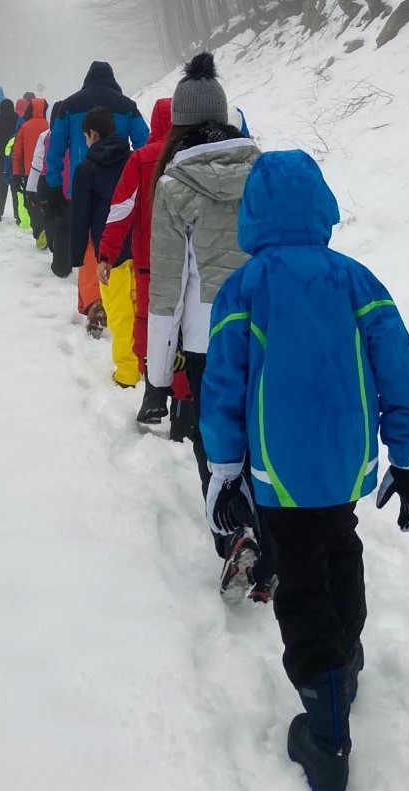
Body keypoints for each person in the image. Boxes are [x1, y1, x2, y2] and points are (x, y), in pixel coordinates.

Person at [199, 149, 409, 791]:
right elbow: (397, 367)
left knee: (297, 571)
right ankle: (344, 658)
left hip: (277, 462)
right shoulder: (357, 279)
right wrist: (404, 450)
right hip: (343, 457)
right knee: (338, 546)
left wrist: (223, 465)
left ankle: (324, 727)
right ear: (320, 205)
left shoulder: (245, 287)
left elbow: (223, 385)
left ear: (252, 214)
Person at [147, 52, 272, 600]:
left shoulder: (174, 185)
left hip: (206, 339)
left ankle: (234, 535)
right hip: (268, 329)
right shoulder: (264, 170)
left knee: (214, 439)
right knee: (262, 434)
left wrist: (156, 371)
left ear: (178, 122)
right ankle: (272, 537)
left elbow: (167, 289)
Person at [97, 97, 193, 428]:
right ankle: (183, 404)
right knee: (185, 331)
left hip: (148, 263)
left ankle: (153, 392)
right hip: (187, 261)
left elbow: (121, 210)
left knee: (151, 326)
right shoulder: (188, 158)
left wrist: (107, 252)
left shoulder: (141, 159)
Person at [46, 62, 149, 321]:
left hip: (81, 184)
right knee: (120, 243)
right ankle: (123, 297)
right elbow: (145, 144)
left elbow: (56, 146)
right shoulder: (127, 106)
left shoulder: (69, 105)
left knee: (91, 242)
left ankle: (94, 302)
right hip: (122, 188)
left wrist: (54, 184)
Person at [70, 108, 138, 383]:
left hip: (110, 252)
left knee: (119, 313)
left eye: (85, 136)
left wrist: (75, 255)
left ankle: (127, 371)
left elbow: (80, 216)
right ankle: (147, 363)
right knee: (139, 307)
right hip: (140, 246)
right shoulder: (133, 158)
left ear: (93, 134)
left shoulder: (87, 169)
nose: (85, 142)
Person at [12, 98, 49, 241]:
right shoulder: (49, 125)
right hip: (48, 173)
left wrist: (16, 174)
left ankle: (40, 231)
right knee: (47, 202)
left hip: (30, 172)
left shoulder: (24, 127)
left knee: (31, 202)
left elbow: (17, 153)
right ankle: (48, 229)